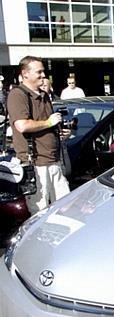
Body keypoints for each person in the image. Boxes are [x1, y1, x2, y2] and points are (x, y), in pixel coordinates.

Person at [7, 55, 70, 214]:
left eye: (44, 72)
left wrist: (59, 132)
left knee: (66, 207)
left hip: (54, 161)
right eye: (39, 72)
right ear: (25, 73)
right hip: (35, 164)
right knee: (40, 212)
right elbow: (22, 125)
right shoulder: (18, 94)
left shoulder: (44, 95)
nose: (43, 75)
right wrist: (49, 123)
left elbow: (46, 124)